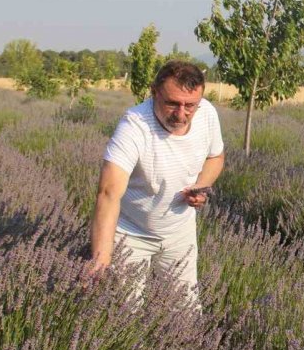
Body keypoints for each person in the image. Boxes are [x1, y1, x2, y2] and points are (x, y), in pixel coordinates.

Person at [89, 60, 224, 304]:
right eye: (172, 103)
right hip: (131, 234)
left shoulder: (207, 114)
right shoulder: (134, 126)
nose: (181, 114)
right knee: (123, 314)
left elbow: (216, 156)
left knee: (185, 313)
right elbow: (108, 193)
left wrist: (201, 185)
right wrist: (101, 260)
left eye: (190, 105)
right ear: (154, 92)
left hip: (179, 233)